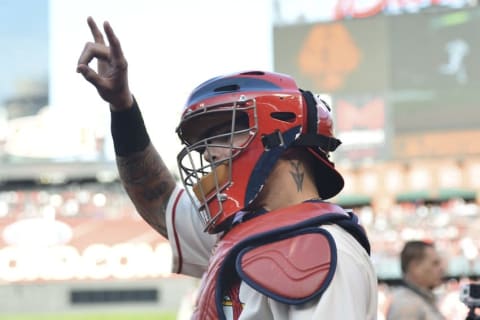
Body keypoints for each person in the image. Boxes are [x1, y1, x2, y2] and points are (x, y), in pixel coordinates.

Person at [77, 16, 378, 320]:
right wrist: (122, 107)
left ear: (279, 134)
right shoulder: (244, 232)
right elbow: (157, 199)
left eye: (222, 132)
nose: (207, 153)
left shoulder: (326, 253)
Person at [386, 240, 446, 320]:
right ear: (415, 267)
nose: (441, 269)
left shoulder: (417, 299)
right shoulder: (407, 305)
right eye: (434, 263)